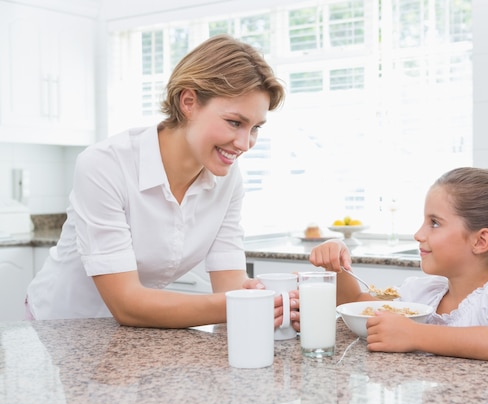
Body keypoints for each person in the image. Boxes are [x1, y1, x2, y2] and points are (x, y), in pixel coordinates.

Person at [26, 34, 299, 330]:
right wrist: (240, 304)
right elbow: (127, 304)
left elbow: (229, 283)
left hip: (138, 336)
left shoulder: (228, 179)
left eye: (255, 127)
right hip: (59, 332)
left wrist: (261, 302)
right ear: (189, 102)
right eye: (235, 122)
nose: (245, 143)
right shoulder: (105, 165)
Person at [310, 167, 488, 404]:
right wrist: (336, 265)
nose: (418, 234)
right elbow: (359, 305)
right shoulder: (426, 294)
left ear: (480, 241)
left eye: (434, 223)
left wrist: (415, 334)